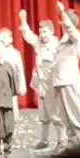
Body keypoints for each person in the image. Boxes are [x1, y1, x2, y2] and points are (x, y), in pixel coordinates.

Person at [50, 1, 80, 153]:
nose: (61, 22)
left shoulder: (76, 37)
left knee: (75, 112)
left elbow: (70, 29)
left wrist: (62, 12)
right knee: (65, 114)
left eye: (63, 20)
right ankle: (72, 142)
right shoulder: (64, 39)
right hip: (60, 81)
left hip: (69, 81)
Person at [19, 10, 61, 150]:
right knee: (43, 117)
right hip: (41, 87)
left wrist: (58, 87)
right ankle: (44, 141)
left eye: (45, 32)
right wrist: (23, 19)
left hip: (52, 87)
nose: (42, 35)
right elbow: (28, 35)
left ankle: (61, 141)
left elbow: (60, 68)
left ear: (52, 32)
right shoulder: (39, 43)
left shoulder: (57, 47)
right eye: (41, 31)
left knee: (55, 117)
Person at [0, 13, 26, 124]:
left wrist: (22, 86)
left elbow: (20, 70)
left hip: (11, 82)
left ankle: (14, 119)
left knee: (13, 101)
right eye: (1, 37)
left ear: (11, 39)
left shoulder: (15, 53)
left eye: (6, 37)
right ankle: (0, 119)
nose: (3, 39)